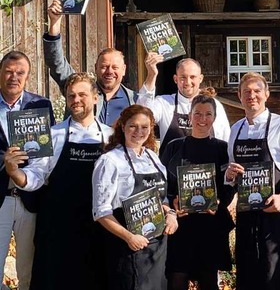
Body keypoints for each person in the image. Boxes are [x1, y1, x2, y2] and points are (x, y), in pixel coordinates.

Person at [4, 72, 112, 290]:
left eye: (82, 94)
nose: (76, 100)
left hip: (98, 228)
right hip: (57, 228)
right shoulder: (52, 134)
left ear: (95, 97)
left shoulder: (110, 137)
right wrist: (14, 172)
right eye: (71, 96)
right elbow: (37, 176)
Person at [225, 72, 280, 290]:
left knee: (276, 273)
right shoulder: (235, 129)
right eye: (246, 92)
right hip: (246, 215)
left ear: (266, 94)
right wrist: (229, 175)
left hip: (275, 212)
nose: (252, 96)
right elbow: (231, 173)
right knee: (249, 272)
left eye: (257, 91)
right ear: (239, 96)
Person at [92, 105, 179, 290]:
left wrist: (171, 214)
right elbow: (101, 212)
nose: (139, 132)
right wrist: (129, 237)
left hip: (157, 248)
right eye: (133, 126)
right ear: (122, 126)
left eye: (145, 127)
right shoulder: (110, 161)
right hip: (127, 248)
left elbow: (162, 199)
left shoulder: (153, 158)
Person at [161, 90, 234, 290]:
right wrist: (173, 202)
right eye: (198, 114)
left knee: (209, 280)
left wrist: (220, 202)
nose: (203, 119)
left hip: (210, 225)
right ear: (190, 116)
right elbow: (161, 184)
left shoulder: (223, 149)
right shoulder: (174, 148)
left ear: (214, 118)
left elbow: (230, 186)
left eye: (208, 114)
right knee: (176, 279)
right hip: (180, 225)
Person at [0, 51, 54, 290]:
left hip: (30, 198)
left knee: (28, 270)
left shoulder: (41, 105)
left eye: (20, 72)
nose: (14, 77)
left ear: (28, 76)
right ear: (0, 73)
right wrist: (5, 161)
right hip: (0, 196)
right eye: (9, 71)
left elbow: (47, 151)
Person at [45, 0, 137, 126]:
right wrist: (54, 24)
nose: (109, 71)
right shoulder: (80, 87)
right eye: (104, 67)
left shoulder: (135, 100)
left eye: (115, 67)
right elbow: (56, 63)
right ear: (96, 68)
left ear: (124, 69)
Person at [139, 56, 230, 154]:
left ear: (200, 78)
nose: (188, 82)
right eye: (183, 77)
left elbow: (226, 140)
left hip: (208, 167)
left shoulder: (215, 105)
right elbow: (142, 116)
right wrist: (152, 75)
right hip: (172, 168)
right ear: (175, 79)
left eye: (192, 77)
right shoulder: (164, 103)